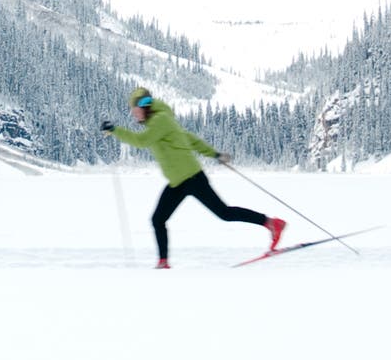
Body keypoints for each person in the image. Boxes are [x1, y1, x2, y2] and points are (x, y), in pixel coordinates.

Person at [102, 87, 283, 268]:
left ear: (144, 106)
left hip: (193, 178)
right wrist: (215, 154)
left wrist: (115, 130)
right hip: (177, 183)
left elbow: (141, 141)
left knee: (224, 213)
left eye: (135, 111)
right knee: (158, 219)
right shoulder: (163, 122)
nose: (134, 115)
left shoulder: (160, 120)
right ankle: (163, 262)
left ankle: (271, 223)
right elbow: (192, 140)